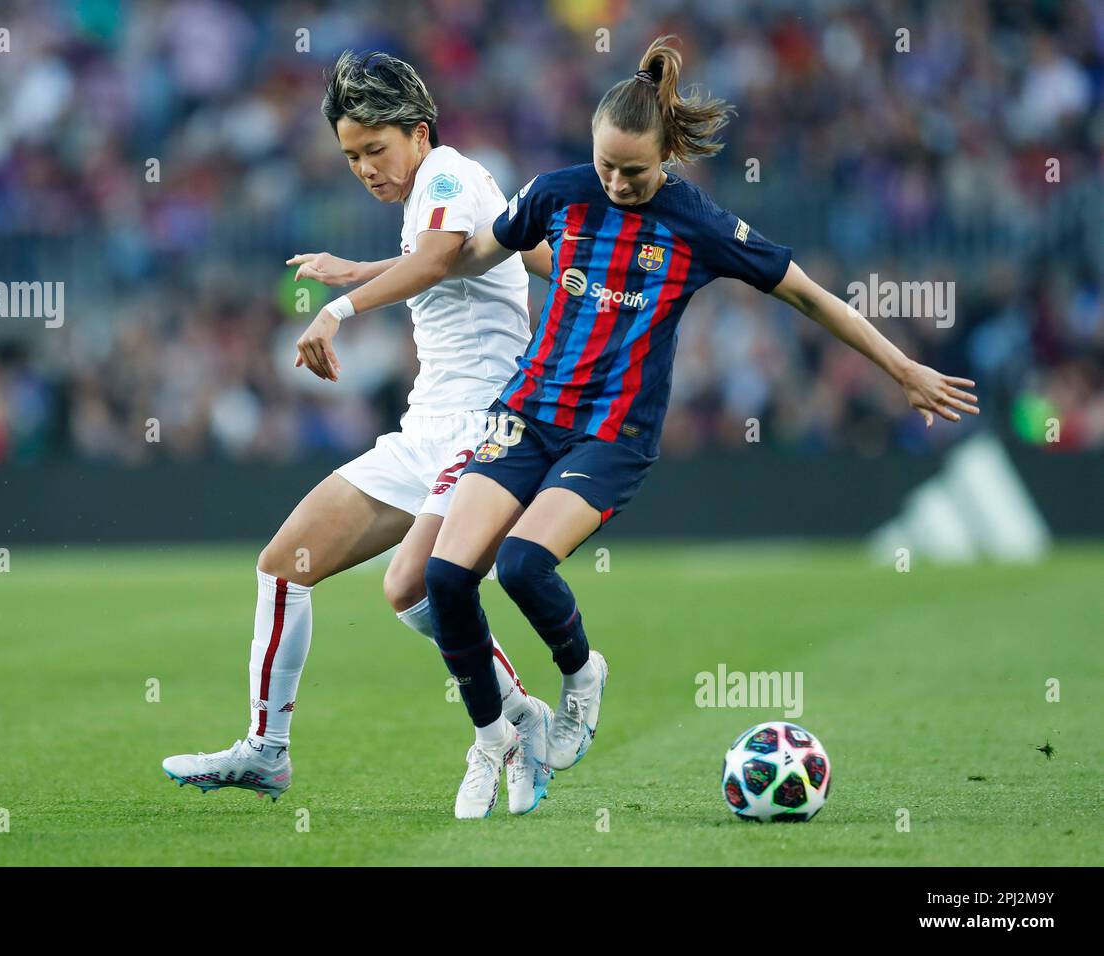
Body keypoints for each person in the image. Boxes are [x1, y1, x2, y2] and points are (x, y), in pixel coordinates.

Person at [283, 36, 981, 818]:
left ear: (666, 158)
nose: (617, 183)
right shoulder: (558, 193)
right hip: (528, 413)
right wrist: (359, 272)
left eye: (635, 172)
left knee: (520, 569)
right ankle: (492, 741)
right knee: (443, 580)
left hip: (612, 435)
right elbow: (465, 256)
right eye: (606, 166)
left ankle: (582, 678)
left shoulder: (698, 223)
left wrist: (905, 370)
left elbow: (813, 296)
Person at [163, 51, 560, 817]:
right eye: (350, 156)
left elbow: (441, 257)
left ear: (417, 133)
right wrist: (356, 269)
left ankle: (518, 722)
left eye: (376, 150)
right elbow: (457, 259)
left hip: (486, 426)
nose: (365, 169)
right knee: (284, 567)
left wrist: (338, 308)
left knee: (412, 585)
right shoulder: (438, 193)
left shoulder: (446, 172)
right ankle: (267, 751)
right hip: (428, 429)